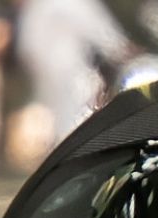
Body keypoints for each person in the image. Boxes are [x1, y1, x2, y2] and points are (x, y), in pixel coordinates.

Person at [15, 0, 135, 145]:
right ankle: (67, 149)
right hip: (66, 67)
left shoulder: (43, 5)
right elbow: (95, 25)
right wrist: (120, 49)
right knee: (70, 112)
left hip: (54, 66)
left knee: (61, 112)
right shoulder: (65, 4)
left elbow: (27, 42)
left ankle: (61, 148)